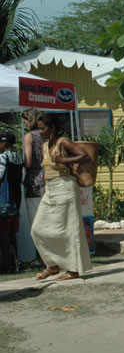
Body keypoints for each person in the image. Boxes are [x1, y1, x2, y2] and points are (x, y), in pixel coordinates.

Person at [30, 113, 92, 281]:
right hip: (50, 190)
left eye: (42, 128)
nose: (40, 131)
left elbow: (85, 155)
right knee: (37, 229)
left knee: (70, 230)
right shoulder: (44, 145)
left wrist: (64, 160)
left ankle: (73, 269)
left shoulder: (63, 142)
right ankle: (53, 264)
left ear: (52, 128)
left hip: (66, 187)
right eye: (39, 128)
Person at [18, 108, 43, 265]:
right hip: (49, 179)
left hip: (34, 181)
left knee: (36, 223)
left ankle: (41, 257)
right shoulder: (46, 135)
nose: (24, 124)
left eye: (25, 120)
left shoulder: (30, 137)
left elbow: (28, 161)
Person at [0, 132, 24, 274]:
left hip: (3, 199)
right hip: (16, 199)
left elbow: (0, 177)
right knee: (12, 234)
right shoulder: (19, 156)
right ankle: (16, 262)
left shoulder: (3, 157)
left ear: (4, 143)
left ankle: (7, 264)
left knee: (2, 234)